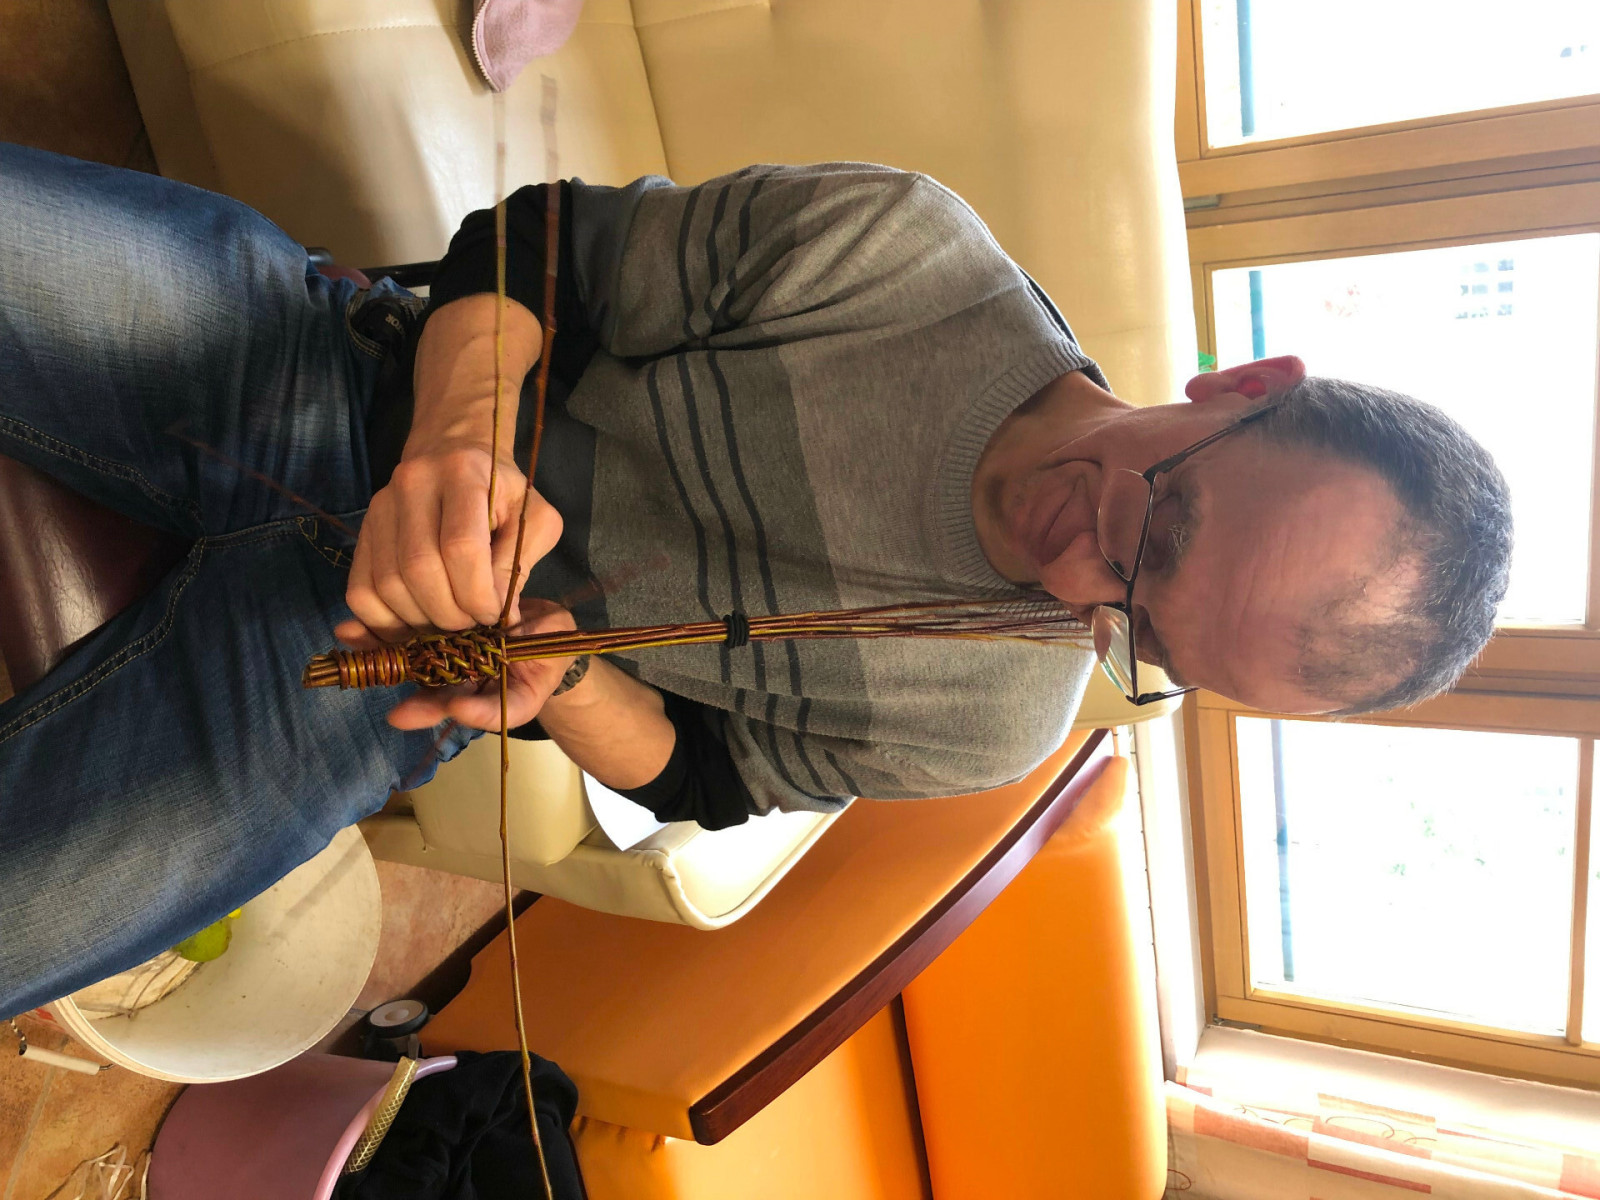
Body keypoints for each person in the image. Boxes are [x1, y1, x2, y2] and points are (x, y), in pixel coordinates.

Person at [0, 145, 1511, 1016]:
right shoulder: (909, 256)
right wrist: (456, 449)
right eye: (1159, 529)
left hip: (399, 672)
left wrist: (564, 683)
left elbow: (701, 775)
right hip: (310, 377)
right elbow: (536, 243)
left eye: (1146, 636)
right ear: (1242, 384)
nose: (1077, 582)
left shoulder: (999, 724)